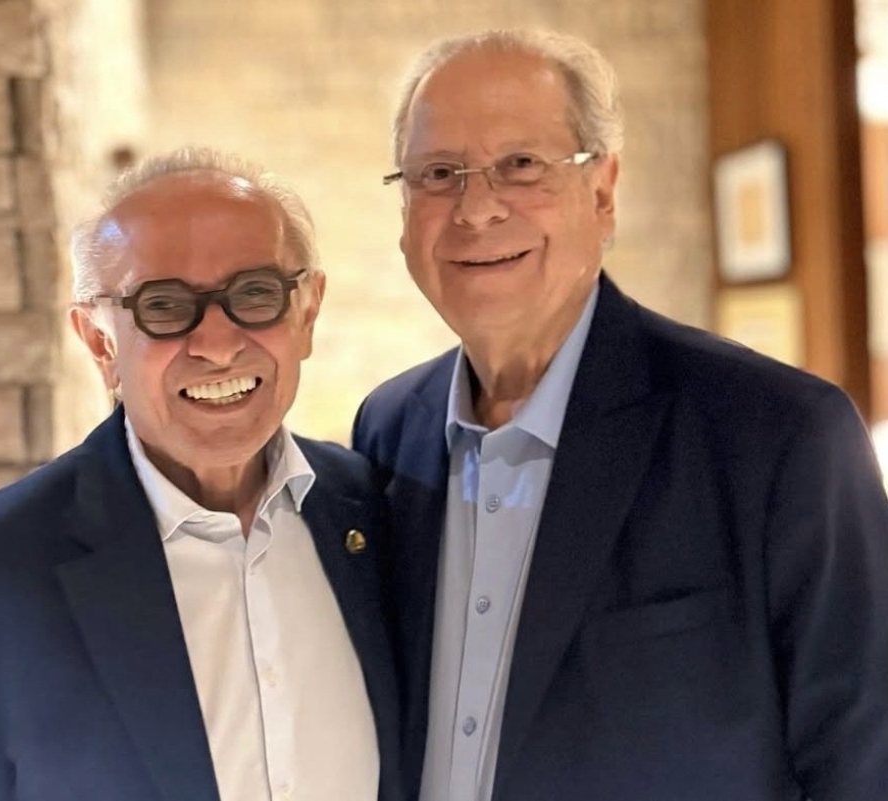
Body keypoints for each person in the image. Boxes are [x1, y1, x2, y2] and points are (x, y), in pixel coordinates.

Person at [351, 28, 888, 801]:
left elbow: (864, 765)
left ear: (602, 192)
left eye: (521, 165)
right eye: (439, 174)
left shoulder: (782, 436)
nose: (476, 208)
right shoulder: (386, 432)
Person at [0, 147, 403, 801]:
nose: (217, 344)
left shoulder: (380, 514)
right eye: (164, 306)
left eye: (255, 293)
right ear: (100, 342)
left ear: (306, 313)